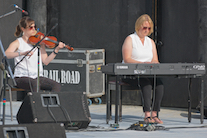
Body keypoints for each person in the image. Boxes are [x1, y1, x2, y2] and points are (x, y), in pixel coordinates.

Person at [122, 14, 164, 124]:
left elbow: (155, 59)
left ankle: (155, 114)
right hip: (131, 73)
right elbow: (127, 59)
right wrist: (142, 63)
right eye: (144, 27)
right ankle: (147, 115)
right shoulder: (130, 39)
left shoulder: (150, 42)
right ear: (138, 26)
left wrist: (153, 63)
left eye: (149, 28)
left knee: (159, 84)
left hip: (147, 73)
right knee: (146, 83)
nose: (146, 30)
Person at [5, 16, 65, 92]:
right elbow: (6, 54)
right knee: (35, 84)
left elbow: (46, 61)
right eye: (30, 27)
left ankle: (50, 103)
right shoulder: (18, 42)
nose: (34, 29)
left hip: (37, 77)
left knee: (56, 85)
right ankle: (35, 103)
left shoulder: (39, 42)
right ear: (23, 29)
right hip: (21, 77)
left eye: (35, 27)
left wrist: (56, 49)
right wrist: (21, 53)